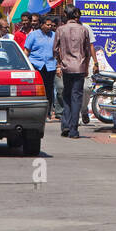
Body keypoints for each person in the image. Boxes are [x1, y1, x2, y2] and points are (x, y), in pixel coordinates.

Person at [54, 8, 95, 138]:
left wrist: (59, 63)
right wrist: (87, 67)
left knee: (66, 96)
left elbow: (55, 50)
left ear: (66, 15)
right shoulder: (83, 30)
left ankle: (66, 125)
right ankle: (73, 129)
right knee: (76, 98)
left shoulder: (60, 29)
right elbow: (88, 51)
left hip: (66, 67)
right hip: (79, 67)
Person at [24, 15, 59, 119]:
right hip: (36, 66)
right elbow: (27, 51)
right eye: (47, 25)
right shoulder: (33, 35)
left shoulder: (54, 35)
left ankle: (48, 112)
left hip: (50, 66)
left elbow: (58, 52)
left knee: (49, 90)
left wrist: (58, 66)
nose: (49, 27)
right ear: (42, 24)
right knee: (37, 90)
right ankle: (35, 112)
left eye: (50, 25)